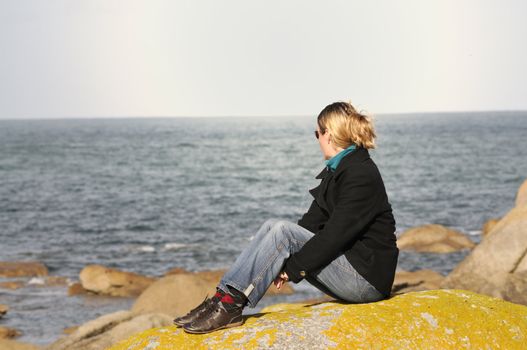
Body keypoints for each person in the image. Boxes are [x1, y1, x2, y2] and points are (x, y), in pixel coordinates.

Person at [173, 101, 399, 334]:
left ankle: (231, 306)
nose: (317, 139)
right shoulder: (340, 169)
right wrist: (281, 259)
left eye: (316, 133)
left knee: (282, 231)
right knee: (273, 226)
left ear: (328, 135)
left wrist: (292, 268)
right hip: (352, 269)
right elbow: (310, 223)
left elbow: (335, 236)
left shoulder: (360, 174)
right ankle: (221, 298)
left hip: (366, 281)